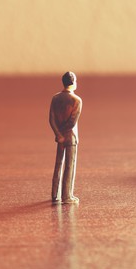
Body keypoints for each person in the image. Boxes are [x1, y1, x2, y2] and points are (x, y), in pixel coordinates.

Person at [49, 72, 82, 204]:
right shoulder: (77, 100)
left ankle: (55, 194)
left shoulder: (55, 98)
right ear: (73, 83)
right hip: (70, 138)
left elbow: (51, 119)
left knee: (58, 165)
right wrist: (64, 134)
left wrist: (58, 134)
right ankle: (67, 196)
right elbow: (72, 122)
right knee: (69, 166)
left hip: (60, 137)